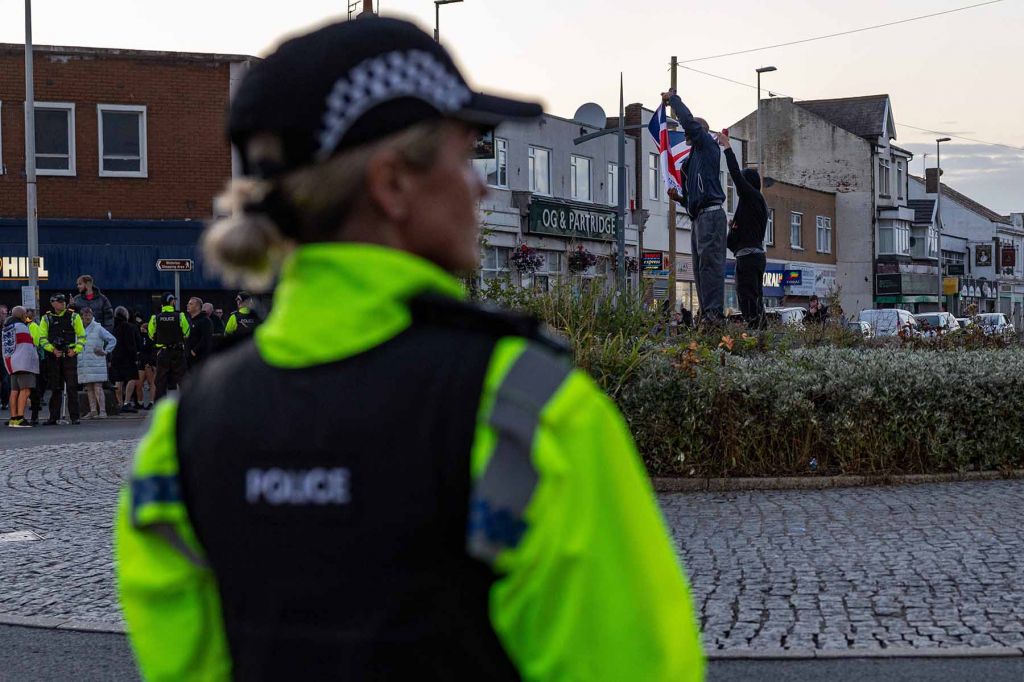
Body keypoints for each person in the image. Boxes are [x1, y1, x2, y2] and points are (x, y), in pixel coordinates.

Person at [115, 17, 704, 682]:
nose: (479, 185)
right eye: (462, 157)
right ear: (393, 184)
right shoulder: (527, 413)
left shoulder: (183, 433)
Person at [663, 89, 727, 324]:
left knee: (710, 266)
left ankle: (713, 313)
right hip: (699, 217)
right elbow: (692, 197)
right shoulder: (691, 162)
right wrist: (679, 199)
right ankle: (707, 314)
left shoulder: (708, 148)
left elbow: (689, 123)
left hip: (711, 215)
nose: (687, 133)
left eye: (692, 130)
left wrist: (674, 101)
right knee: (700, 268)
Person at [717, 130, 769, 329]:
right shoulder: (754, 206)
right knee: (755, 297)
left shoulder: (752, 197)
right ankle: (760, 330)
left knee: (746, 296)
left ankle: (755, 329)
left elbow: (736, 175)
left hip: (748, 257)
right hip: (752, 255)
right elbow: (733, 244)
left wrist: (727, 146)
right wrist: (734, 230)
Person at [38, 293, 86, 425]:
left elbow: (82, 336)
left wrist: (75, 350)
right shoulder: (46, 318)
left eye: (63, 301)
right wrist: (52, 349)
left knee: (72, 387)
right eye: (59, 301)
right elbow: (42, 338)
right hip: (54, 356)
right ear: (53, 303)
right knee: (55, 387)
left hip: (69, 355)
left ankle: (75, 417)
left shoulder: (74, 316)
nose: (62, 303)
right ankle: (53, 417)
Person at [147, 293, 190, 401]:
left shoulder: (155, 318)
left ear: (162, 304)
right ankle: (185, 404)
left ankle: (160, 405)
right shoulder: (180, 316)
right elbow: (187, 333)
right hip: (178, 352)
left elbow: (151, 335)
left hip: (163, 352)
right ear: (172, 302)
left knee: (160, 381)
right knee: (182, 379)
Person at [2, 306, 40, 428]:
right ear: (21, 315)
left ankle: (13, 418)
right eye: (24, 314)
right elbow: (29, 346)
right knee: (25, 390)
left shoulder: (6, 328)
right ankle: (20, 417)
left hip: (11, 364)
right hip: (23, 364)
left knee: (14, 391)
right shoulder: (22, 327)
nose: (26, 317)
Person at [77, 306, 117, 419]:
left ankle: (103, 411)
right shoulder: (79, 328)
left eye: (89, 314)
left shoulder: (98, 328)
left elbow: (112, 339)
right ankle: (93, 410)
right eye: (85, 315)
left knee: (97, 386)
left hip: (96, 362)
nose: (88, 316)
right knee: (89, 387)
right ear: (81, 316)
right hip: (85, 362)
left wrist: (105, 351)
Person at [111, 307, 140, 413]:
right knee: (131, 378)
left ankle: (119, 403)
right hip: (127, 357)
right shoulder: (128, 327)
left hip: (115, 356)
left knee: (118, 380)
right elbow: (131, 343)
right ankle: (127, 403)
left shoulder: (113, 326)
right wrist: (135, 356)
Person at [132, 317, 157, 410]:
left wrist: (150, 362)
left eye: (143, 328)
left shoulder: (150, 339)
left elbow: (152, 351)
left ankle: (151, 402)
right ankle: (140, 402)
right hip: (141, 362)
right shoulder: (140, 338)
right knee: (138, 383)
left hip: (148, 363)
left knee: (151, 383)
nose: (141, 330)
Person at [185, 297, 214, 367]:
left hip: (200, 359)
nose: (187, 305)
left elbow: (206, 338)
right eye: (188, 304)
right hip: (188, 358)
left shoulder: (205, 321)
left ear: (198, 307)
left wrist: (194, 351)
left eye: (191, 304)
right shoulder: (189, 320)